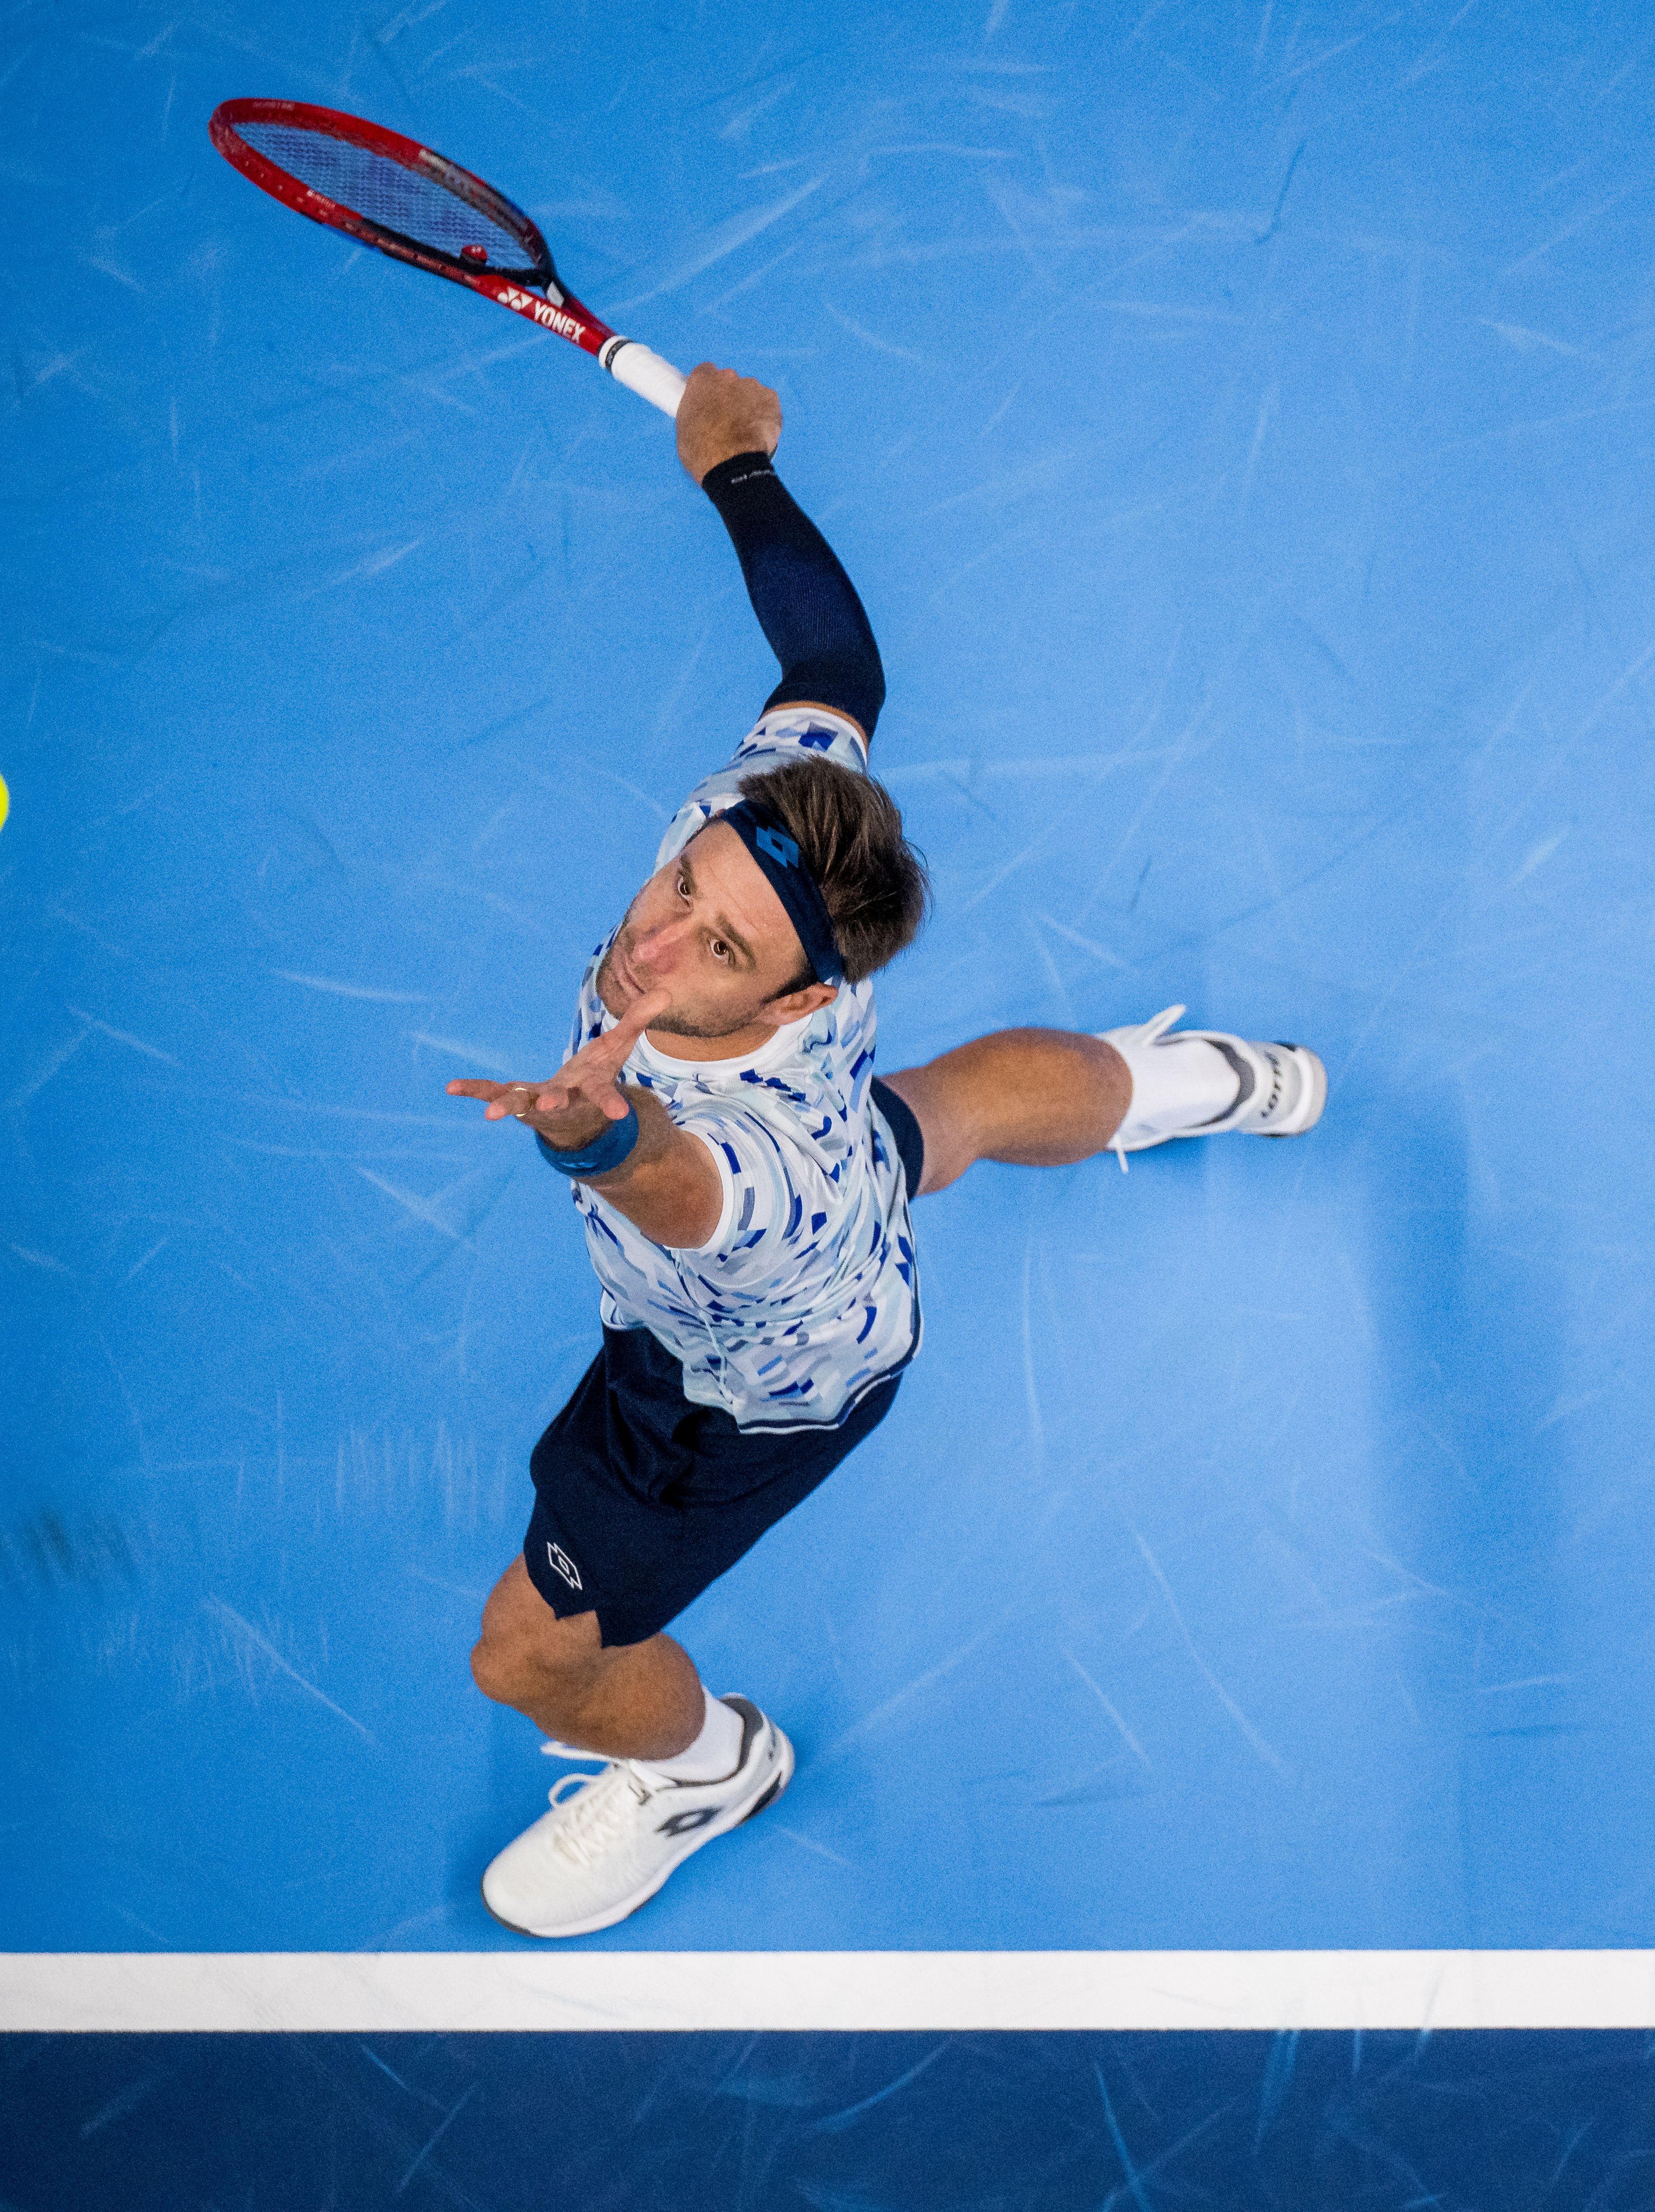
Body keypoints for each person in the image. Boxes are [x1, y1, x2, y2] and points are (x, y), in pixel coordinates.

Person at [442, 364, 1327, 1939]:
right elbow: (832, 655)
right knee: (955, 1113)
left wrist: (596, 1132)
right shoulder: (784, 822)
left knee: (526, 1655)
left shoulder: (751, 1158)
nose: (659, 946)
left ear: (802, 991)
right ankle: (1190, 1082)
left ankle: (706, 1768)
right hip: (861, 1172)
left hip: (745, 1383)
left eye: (715, 952)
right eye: (681, 889)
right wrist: (738, 470)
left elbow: (682, 1189)